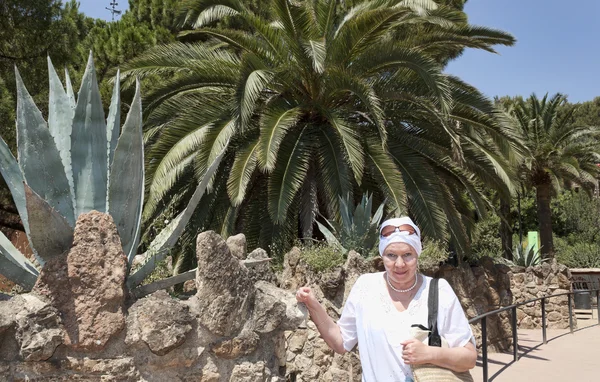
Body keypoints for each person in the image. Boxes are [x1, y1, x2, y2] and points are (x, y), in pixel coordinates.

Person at [296, 217, 477, 381]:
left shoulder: (439, 291)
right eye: (391, 255)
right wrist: (313, 305)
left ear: (417, 254)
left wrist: (430, 354)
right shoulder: (365, 287)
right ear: (382, 256)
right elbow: (341, 342)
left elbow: (469, 358)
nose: (399, 264)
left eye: (407, 255)